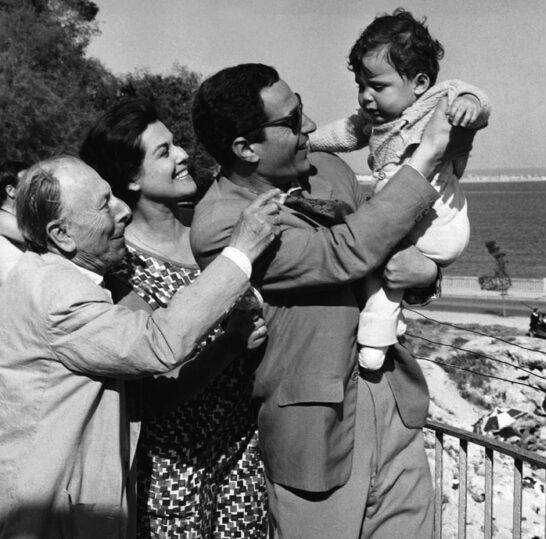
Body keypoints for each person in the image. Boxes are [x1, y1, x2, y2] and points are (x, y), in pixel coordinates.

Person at [191, 63, 465, 537]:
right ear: (246, 148)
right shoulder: (223, 225)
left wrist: (427, 277)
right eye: (293, 121)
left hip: (393, 408)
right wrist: (425, 158)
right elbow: (343, 254)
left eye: (301, 109)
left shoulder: (330, 172)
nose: (312, 127)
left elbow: (387, 250)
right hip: (317, 433)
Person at [0, 155, 281, 538]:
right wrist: (239, 254)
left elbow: (151, 395)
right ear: (62, 235)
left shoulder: (56, 277)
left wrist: (228, 345)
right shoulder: (59, 297)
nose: (123, 211)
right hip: (53, 523)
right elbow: (158, 343)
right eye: (104, 205)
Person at [79, 99, 269, 538]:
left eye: (176, 143)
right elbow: (156, 392)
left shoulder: (217, 234)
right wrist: (231, 344)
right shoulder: (121, 268)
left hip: (242, 449)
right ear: (131, 178)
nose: (183, 154)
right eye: (164, 152)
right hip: (174, 469)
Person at [310, 8, 490, 370]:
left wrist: (470, 106)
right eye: (360, 86)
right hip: (410, 217)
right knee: (378, 273)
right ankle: (387, 329)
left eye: (377, 87)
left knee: (377, 267)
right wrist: (310, 142)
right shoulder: (375, 121)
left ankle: (375, 341)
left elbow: (475, 98)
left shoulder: (438, 102)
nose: (365, 97)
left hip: (437, 220)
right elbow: (345, 132)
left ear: (419, 83)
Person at [0, 160, 29, 285]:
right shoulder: (0, 219)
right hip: (15, 295)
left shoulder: (17, 218)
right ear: (10, 191)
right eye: (28, 184)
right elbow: (43, 238)